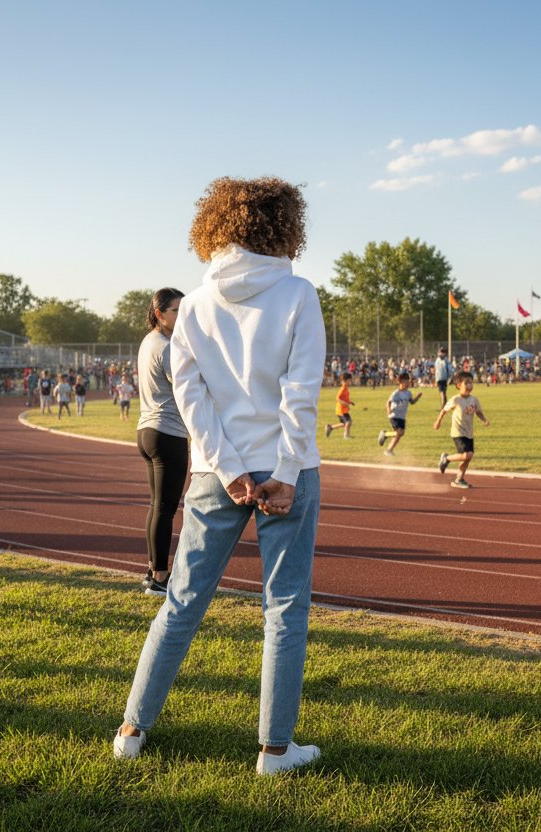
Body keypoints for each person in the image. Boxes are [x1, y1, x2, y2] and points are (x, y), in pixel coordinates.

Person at [115, 176, 326, 775]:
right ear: (285, 225)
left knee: (181, 600)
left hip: (215, 468)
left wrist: (228, 467)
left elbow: (192, 393)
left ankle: (132, 729)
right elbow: (300, 390)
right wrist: (283, 471)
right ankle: (275, 751)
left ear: (214, 226)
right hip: (288, 466)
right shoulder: (298, 293)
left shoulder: (199, 302)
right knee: (284, 607)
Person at [136, 287, 189, 596]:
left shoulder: (148, 342)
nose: (182, 317)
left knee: (158, 507)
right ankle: (159, 577)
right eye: (176, 312)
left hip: (148, 431)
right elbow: (185, 386)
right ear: (159, 314)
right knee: (165, 508)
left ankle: (152, 570)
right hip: (167, 431)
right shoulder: (167, 347)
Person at [434, 370, 489, 489]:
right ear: (459, 385)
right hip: (458, 432)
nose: (470, 385)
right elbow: (444, 410)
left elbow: (478, 412)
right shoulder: (455, 399)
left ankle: (459, 479)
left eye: (471, 383)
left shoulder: (474, 400)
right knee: (466, 455)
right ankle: (446, 458)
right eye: (467, 383)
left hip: (469, 432)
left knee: (468, 457)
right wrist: (438, 421)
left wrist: (484, 419)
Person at [378, 371, 422, 455]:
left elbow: (412, 402)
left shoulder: (408, 393)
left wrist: (417, 397)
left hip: (402, 417)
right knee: (399, 433)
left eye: (409, 381)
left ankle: (386, 437)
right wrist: (388, 413)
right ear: (401, 382)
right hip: (394, 415)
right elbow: (388, 402)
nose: (408, 383)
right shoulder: (396, 393)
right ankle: (388, 450)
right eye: (406, 381)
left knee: (400, 434)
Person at [323, 372, 354, 438]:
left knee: (345, 423)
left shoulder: (345, 388)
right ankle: (346, 436)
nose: (350, 381)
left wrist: (350, 402)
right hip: (341, 410)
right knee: (348, 422)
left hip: (344, 410)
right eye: (349, 380)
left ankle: (330, 427)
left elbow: (345, 398)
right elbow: (337, 398)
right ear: (346, 380)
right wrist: (345, 403)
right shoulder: (343, 388)